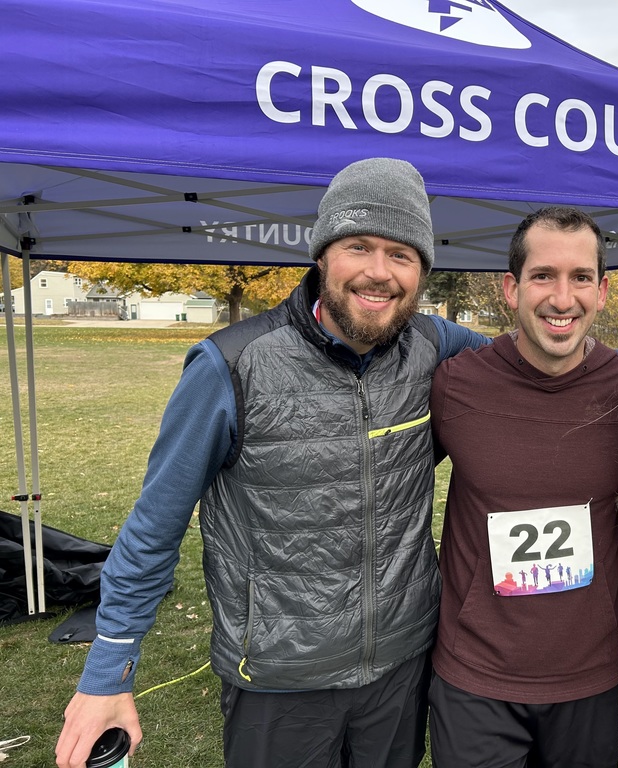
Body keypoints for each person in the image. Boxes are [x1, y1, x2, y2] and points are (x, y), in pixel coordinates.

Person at [55, 157, 487, 768]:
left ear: (420, 272)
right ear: (322, 255)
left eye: (401, 254)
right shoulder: (230, 365)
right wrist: (108, 673)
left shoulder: (435, 346)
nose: (378, 271)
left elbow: (541, 363)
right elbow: (154, 528)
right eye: (358, 246)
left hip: (402, 664)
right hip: (279, 678)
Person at [428, 206, 618, 767]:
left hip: (587, 679)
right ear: (511, 288)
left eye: (581, 277)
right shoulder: (455, 385)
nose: (562, 298)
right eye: (543, 275)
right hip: (474, 677)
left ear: (602, 291)